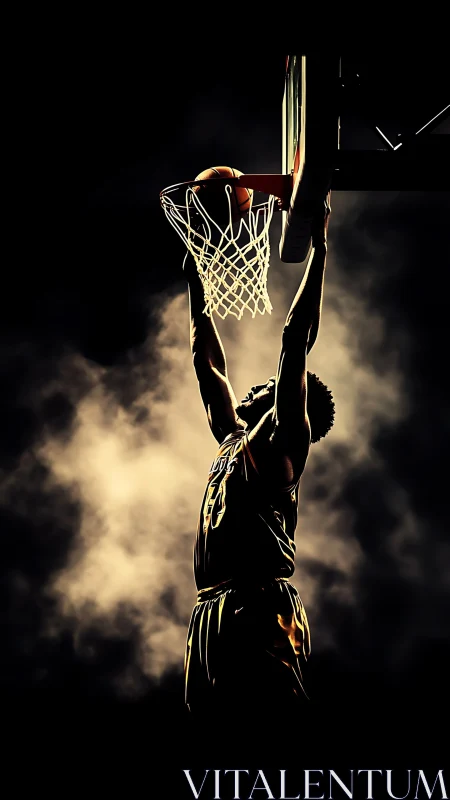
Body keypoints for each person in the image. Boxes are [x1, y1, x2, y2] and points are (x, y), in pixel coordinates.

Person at [183, 196, 335, 727]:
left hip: (260, 607)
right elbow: (208, 369)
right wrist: (197, 286)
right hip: (213, 611)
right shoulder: (233, 442)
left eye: (268, 387)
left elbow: (295, 345)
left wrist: (319, 249)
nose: (254, 387)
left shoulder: (286, 443)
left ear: (285, 400)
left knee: (269, 724)